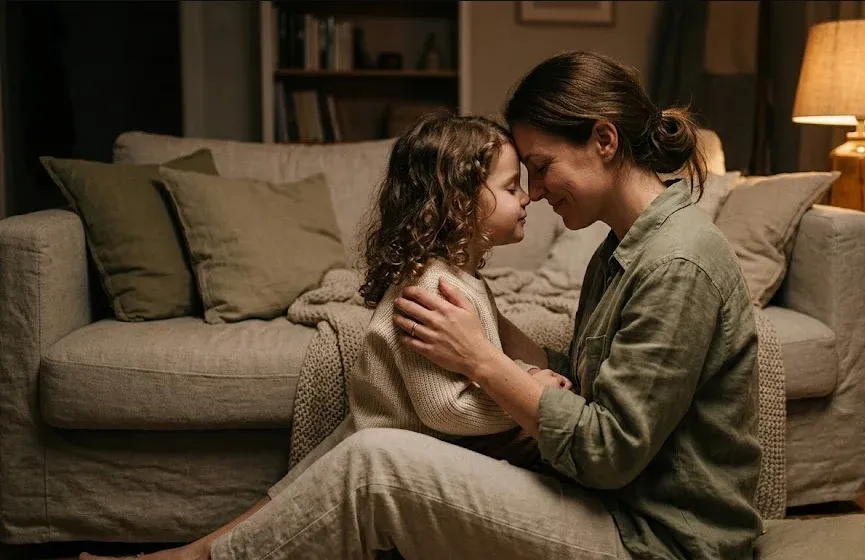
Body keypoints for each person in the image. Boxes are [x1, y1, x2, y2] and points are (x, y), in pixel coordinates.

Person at [88, 50, 763, 560]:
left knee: (375, 461)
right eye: (521, 173)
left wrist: (480, 361)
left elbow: (609, 448)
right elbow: (600, 389)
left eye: (541, 164)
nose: (533, 189)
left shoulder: (675, 261)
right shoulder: (623, 248)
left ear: (605, 141)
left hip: (657, 540)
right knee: (361, 442)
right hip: (616, 505)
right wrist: (501, 338)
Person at [80, 112, 570, 560]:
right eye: (510, 189)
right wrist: (528, 395)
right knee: (276, 523)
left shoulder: (465, 279)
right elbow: (445, 407)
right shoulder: (434, 286)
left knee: (276, 508)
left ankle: (173, 557)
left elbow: (478, 362)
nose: (527, 197)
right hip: (393, 438)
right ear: (459, 204)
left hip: (387, 431)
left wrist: (527, 377)